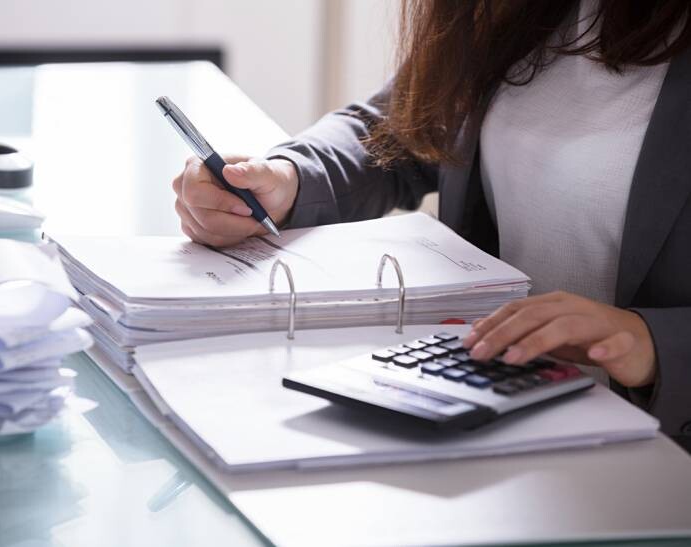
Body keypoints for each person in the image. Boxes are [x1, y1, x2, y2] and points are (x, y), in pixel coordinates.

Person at [171, 1, 691, 447]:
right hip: (500, 413)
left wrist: (650, 342)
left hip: (656, 458)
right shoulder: (518, 11)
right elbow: (402, 125)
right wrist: (289, 179)